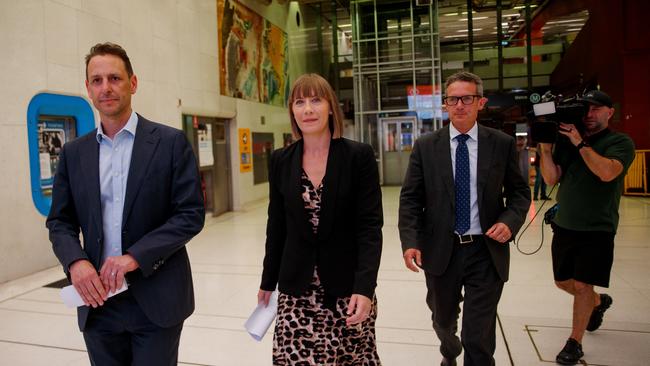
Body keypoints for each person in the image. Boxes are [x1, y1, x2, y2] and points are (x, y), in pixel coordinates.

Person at [46, 42, 205, 365]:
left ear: (133, 83)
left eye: (115, 78)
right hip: (98, 303)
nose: (106, 88)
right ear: (88, 89)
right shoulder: (74, 153)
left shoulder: (170, 143)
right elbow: (60, 222)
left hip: (156, 297)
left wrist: (133, 257)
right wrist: (76, 262)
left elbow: (190, 214)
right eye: (97, 80)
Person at [399, 71, 531, 366]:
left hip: (485, 251)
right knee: (442, 321)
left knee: (478, 334)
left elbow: (520, 193)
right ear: (445, 104)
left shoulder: (501, 144)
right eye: (452, 99)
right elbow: (410, 199)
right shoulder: (426, 146)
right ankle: (449, 350)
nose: (459, 105)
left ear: (480, 102)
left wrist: (509, 222)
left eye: (467, 98)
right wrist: (410, 241)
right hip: (440, 250)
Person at [258, 73, 383, 365]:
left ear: (331, 107)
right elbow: (276, 226)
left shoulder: (358, 156)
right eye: (299, 102)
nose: (308, 109)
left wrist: (365, 288)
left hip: (346, 290)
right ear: (291, 110)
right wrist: (267, 281)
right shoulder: (280, 160)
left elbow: (369, 228)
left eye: (316, 100)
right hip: (296, 290)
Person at [538, 90, 635, 365]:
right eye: (586, 110)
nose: (589, 115)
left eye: (596, 109)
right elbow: (550, 177)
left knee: (582, 284)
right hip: (565, 224)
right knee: (562, 281)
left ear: (610, 112)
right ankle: (597, 301)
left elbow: (607, 173)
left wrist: (580, 143)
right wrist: (545, 148)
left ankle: (574, 342)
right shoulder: (566, 142)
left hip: (597, 228)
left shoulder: (620, 142)